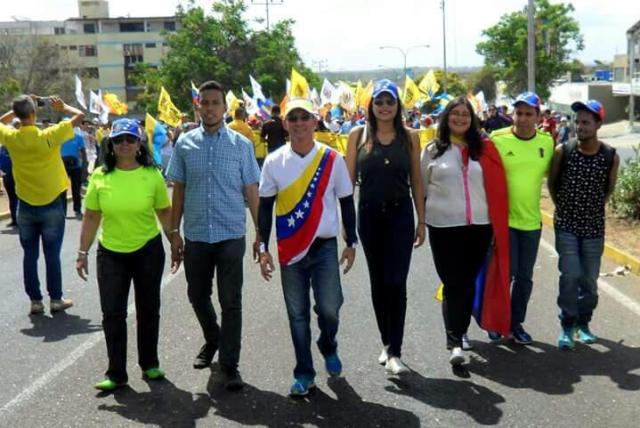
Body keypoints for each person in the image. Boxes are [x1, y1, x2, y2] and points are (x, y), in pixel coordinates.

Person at [257, 98, 357, 397]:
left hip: (325, 247)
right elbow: (264, 209)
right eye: (293, 118)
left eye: (305, 117)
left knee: (330, 308)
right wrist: (263, 248)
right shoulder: (274, 162)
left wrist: (351, 241)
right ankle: (304, 373)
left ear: (315, 122)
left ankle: (328, 343)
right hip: (290, 249)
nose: (299, 123)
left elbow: (346, 202)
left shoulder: (332, 159)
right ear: (285, 124)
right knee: (297, 314)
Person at [166, 80, 261, 391]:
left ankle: (230, 365)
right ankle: (213, 338)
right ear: (198, 106)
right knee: (197, 294)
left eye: (215, 103)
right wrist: (174, 231)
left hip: (231, 233)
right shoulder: (184, 144)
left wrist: (261, 231)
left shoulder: (241, 145)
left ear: (224, 107)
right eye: (204, 102)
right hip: (195, 235)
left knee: (231, 300)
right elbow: (178, 189)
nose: (209, 108)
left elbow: (251, 190)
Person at [75, 118, 173, 391]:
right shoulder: (100, 176)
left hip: (148, 251)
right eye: (119, 140)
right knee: (113, 314)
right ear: (111, 144)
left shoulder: (152, 174)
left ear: (139, 143)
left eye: (130, 139)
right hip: (111, 254)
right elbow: (92, 216)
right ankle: (116, 373)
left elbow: (164, 212)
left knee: (148, 309)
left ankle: (149, 364)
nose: (125, 145)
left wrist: (175, 242)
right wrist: (83, 251)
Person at [421, 96, 510, 365]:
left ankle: (461, 332)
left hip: (479, 228)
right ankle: (455, 342)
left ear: (472, 120)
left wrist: (495, 226)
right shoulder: (432, 150)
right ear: (446, 118)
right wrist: (421, 222)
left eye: (465, 114)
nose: (460, 118)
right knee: (453, 282)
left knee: (467, 282)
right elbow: (422, 189)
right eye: (455, 114)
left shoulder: (484, 149)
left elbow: (495, 189)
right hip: (443, 227)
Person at [344, 79, 425, 374]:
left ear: (398, 106)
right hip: (368, 217)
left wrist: (421, 220)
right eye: (379, 101)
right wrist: (346, 224)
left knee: (396, 283)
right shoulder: (357, 135)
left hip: (401, 216)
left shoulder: (411, 137)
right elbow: (348, 183)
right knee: (378, 284)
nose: (385, 107)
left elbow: (417, 179)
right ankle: (387, 342)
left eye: (390, 102)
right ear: (371, 106)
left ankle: (396, 351)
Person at [0, 95, 84, 314]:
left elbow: (2, 121)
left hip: (25, 204)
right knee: (52, 254)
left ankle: (35, 301)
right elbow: (79, 116)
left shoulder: (11, 137)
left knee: (30, 255)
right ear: (34, 114)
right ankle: (56, 299)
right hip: (52, 202)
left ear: (17, 116)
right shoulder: (49, 135)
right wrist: (63, 106)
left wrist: (16, 109)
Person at [548, 100, 619, 350]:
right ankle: (567, 325)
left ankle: (583, 323)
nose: (579, 126)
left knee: (589, 279)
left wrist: (591, 210)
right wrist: (565, 208)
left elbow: (608, 189)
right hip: (566, 225)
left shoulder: (610, 155)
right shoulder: (562, 151)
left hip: (593, 229)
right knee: (570, 275)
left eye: (586, 122)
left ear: (598, 124)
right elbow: (553, 184)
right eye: (576, 121)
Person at [489, 91, 554, 344]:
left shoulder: (547, 142)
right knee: (505, 275)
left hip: (531, 223)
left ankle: (515, 324)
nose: (523, 118)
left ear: (538, 116)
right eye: (519, 113)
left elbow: (556, 176)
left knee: (524, 278)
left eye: (529, 113)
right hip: (503, 223)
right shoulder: (497, 139)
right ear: (512, 114)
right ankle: (496, 322)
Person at [60, 126, 87, 219]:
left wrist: (84, 167)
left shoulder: (78, 137)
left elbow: (83, 153)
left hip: (76, 166)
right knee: (62, 189)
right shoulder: (60, 138)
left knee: (76, 188)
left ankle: (77, 209)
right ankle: (62, 211)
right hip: (63, 165)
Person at [0, 120, 19, 227]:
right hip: (7, 175)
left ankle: (21, 219)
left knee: (20, 197)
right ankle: (14, 219)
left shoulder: (17, 146)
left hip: (19, 174)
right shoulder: (2, 148)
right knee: (12, 198)